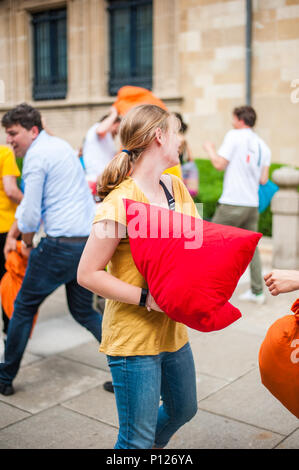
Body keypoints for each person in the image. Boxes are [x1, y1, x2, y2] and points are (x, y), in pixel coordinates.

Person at [77, 104, 198, 449]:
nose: (180, 141)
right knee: (136, 440)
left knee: (183, 410)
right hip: (132, 338)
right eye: (176, 133)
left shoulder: (175, 187)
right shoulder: (119, 202)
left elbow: (195, 245)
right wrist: (147, 298)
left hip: (174, 329)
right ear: (159, 137)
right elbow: (87, 274)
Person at [0, 103, 102, 397]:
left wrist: (26, 242)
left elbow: (31, 213)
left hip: (58, 246)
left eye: (13, 133)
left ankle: (5, 376)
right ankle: (125, 365)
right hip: (85, 243)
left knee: (23, 308)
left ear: (32, 130)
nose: (9, 140)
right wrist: (15, 232)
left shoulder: (36, 157)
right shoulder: (60, 146)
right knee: (84, 311)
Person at [203, 105, 271, 305]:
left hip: (233, 202)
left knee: (210, 242)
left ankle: (207, 290)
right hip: (252, 205)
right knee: (252, 249)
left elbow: (219, 164)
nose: (232, 122)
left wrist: (210, 149)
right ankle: (258, 292)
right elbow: (264, 179)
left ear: (240, 120)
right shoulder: (262, 145)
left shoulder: (234, 135)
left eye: (233, 118)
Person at [0, 145, 23, 337]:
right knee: (9, 281)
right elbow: (11, 191)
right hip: (6, 228)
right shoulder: (4, 153)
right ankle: (10, 331)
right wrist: (30, 203)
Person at [82, 106, 121, 187]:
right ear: (112, 122)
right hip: (95, 180)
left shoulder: (108, 138)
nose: (117, 131)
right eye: (117, 127)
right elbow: (100, 130)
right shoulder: (97, 127)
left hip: (103, 181)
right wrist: (114, 114)